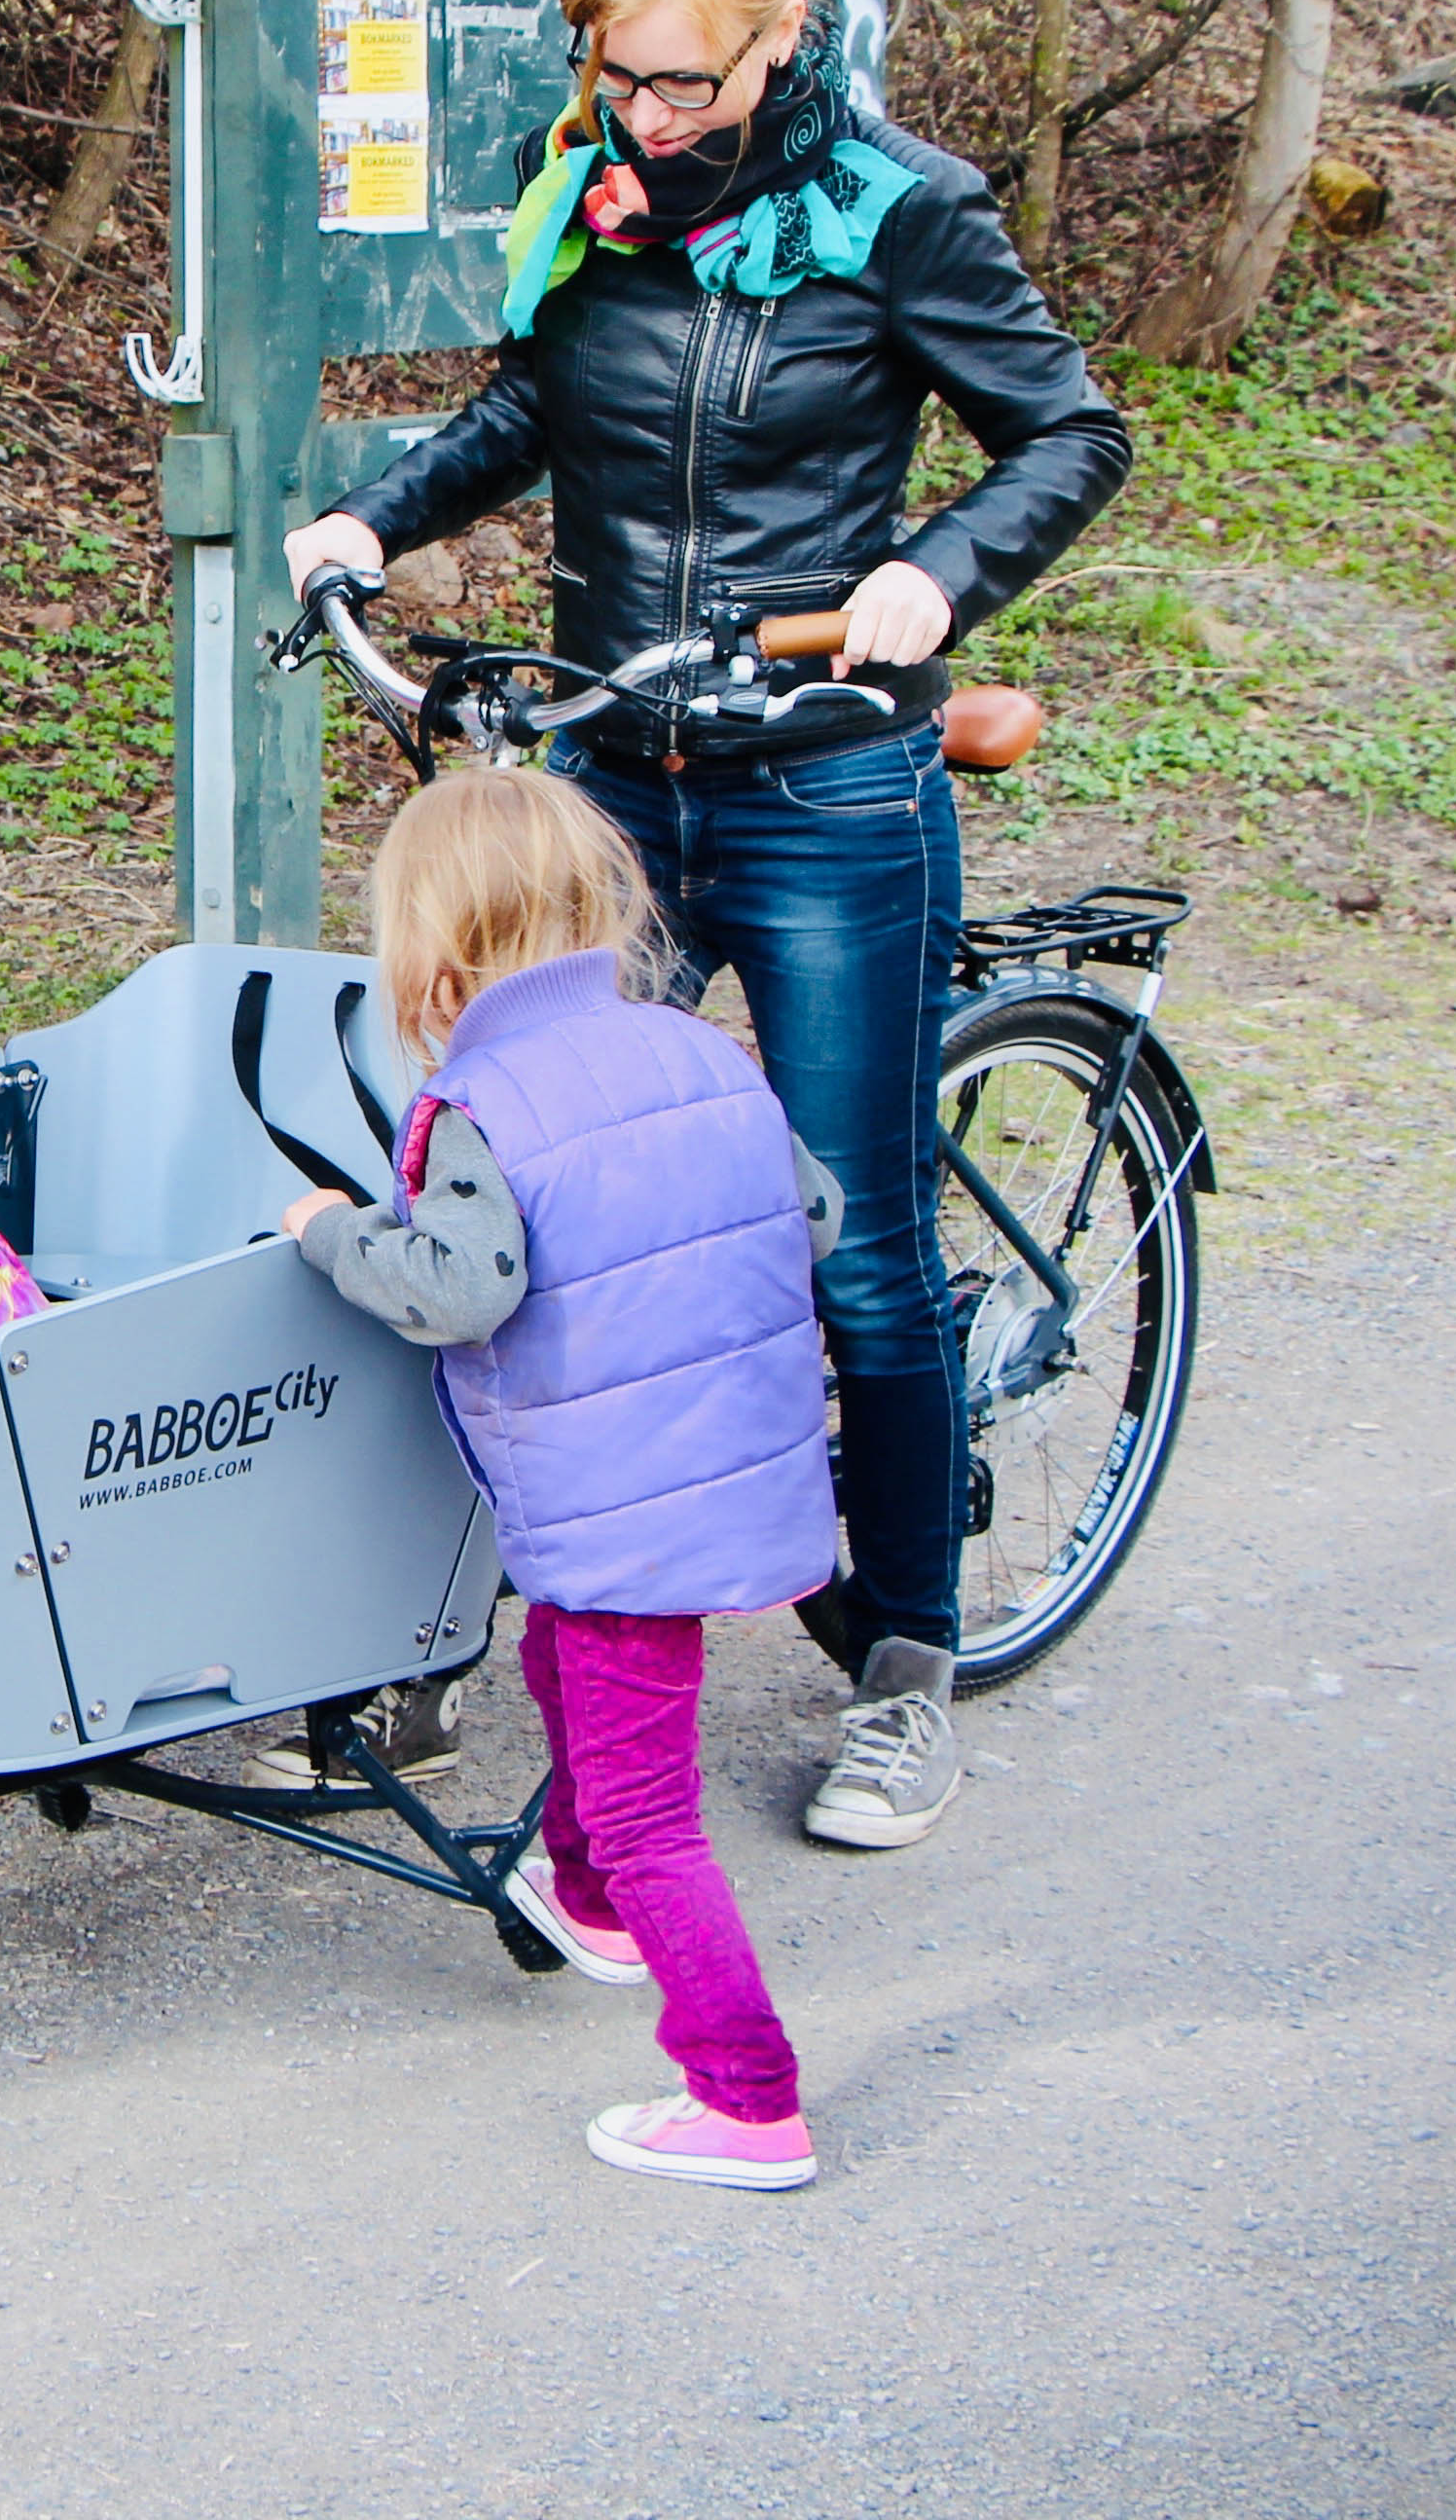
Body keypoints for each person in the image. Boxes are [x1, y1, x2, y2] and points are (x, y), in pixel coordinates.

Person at [280, 0, 1132, 1853]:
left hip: (830, 781)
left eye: (689, 83)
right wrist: (375, 517)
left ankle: (907, 1663)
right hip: (615, 785)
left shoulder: (903, 217)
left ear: (781, 35)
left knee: (856, 1250)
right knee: (535, 1218)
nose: (651, 118)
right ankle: (472, 1617)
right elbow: (533, 408)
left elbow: (1068, 436)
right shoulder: (588, 179)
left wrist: (939, 574)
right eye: (623, 74)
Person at [282, 766, 847, 2192]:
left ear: (438, 948)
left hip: (619, 1512)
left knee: (655, 1810)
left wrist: (334, 1237)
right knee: (570, 1680)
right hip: (735, 1469)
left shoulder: (483, 1102)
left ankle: (745, 2096)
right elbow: (819, 1212)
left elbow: (465, 1289)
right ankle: (585, 1899)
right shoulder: (700, 1052)